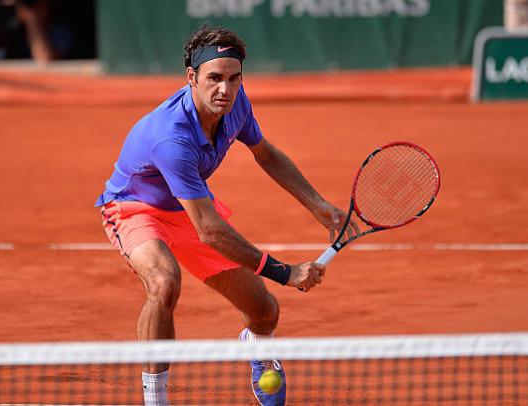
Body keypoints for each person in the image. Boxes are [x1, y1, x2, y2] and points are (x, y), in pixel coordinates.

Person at [95, 25, 358, 406]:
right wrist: (284, 272)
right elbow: (210, 231)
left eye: (234, 79)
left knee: (264, 311)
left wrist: (318, 205)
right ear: (191, 78)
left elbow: (265, 153)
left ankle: (257, 346)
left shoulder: (237, 104)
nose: (225, 89)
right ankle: (156, 400)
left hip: (188, 207)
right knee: (164, 282)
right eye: (214, 78)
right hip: (135, 208)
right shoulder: (171, 138)